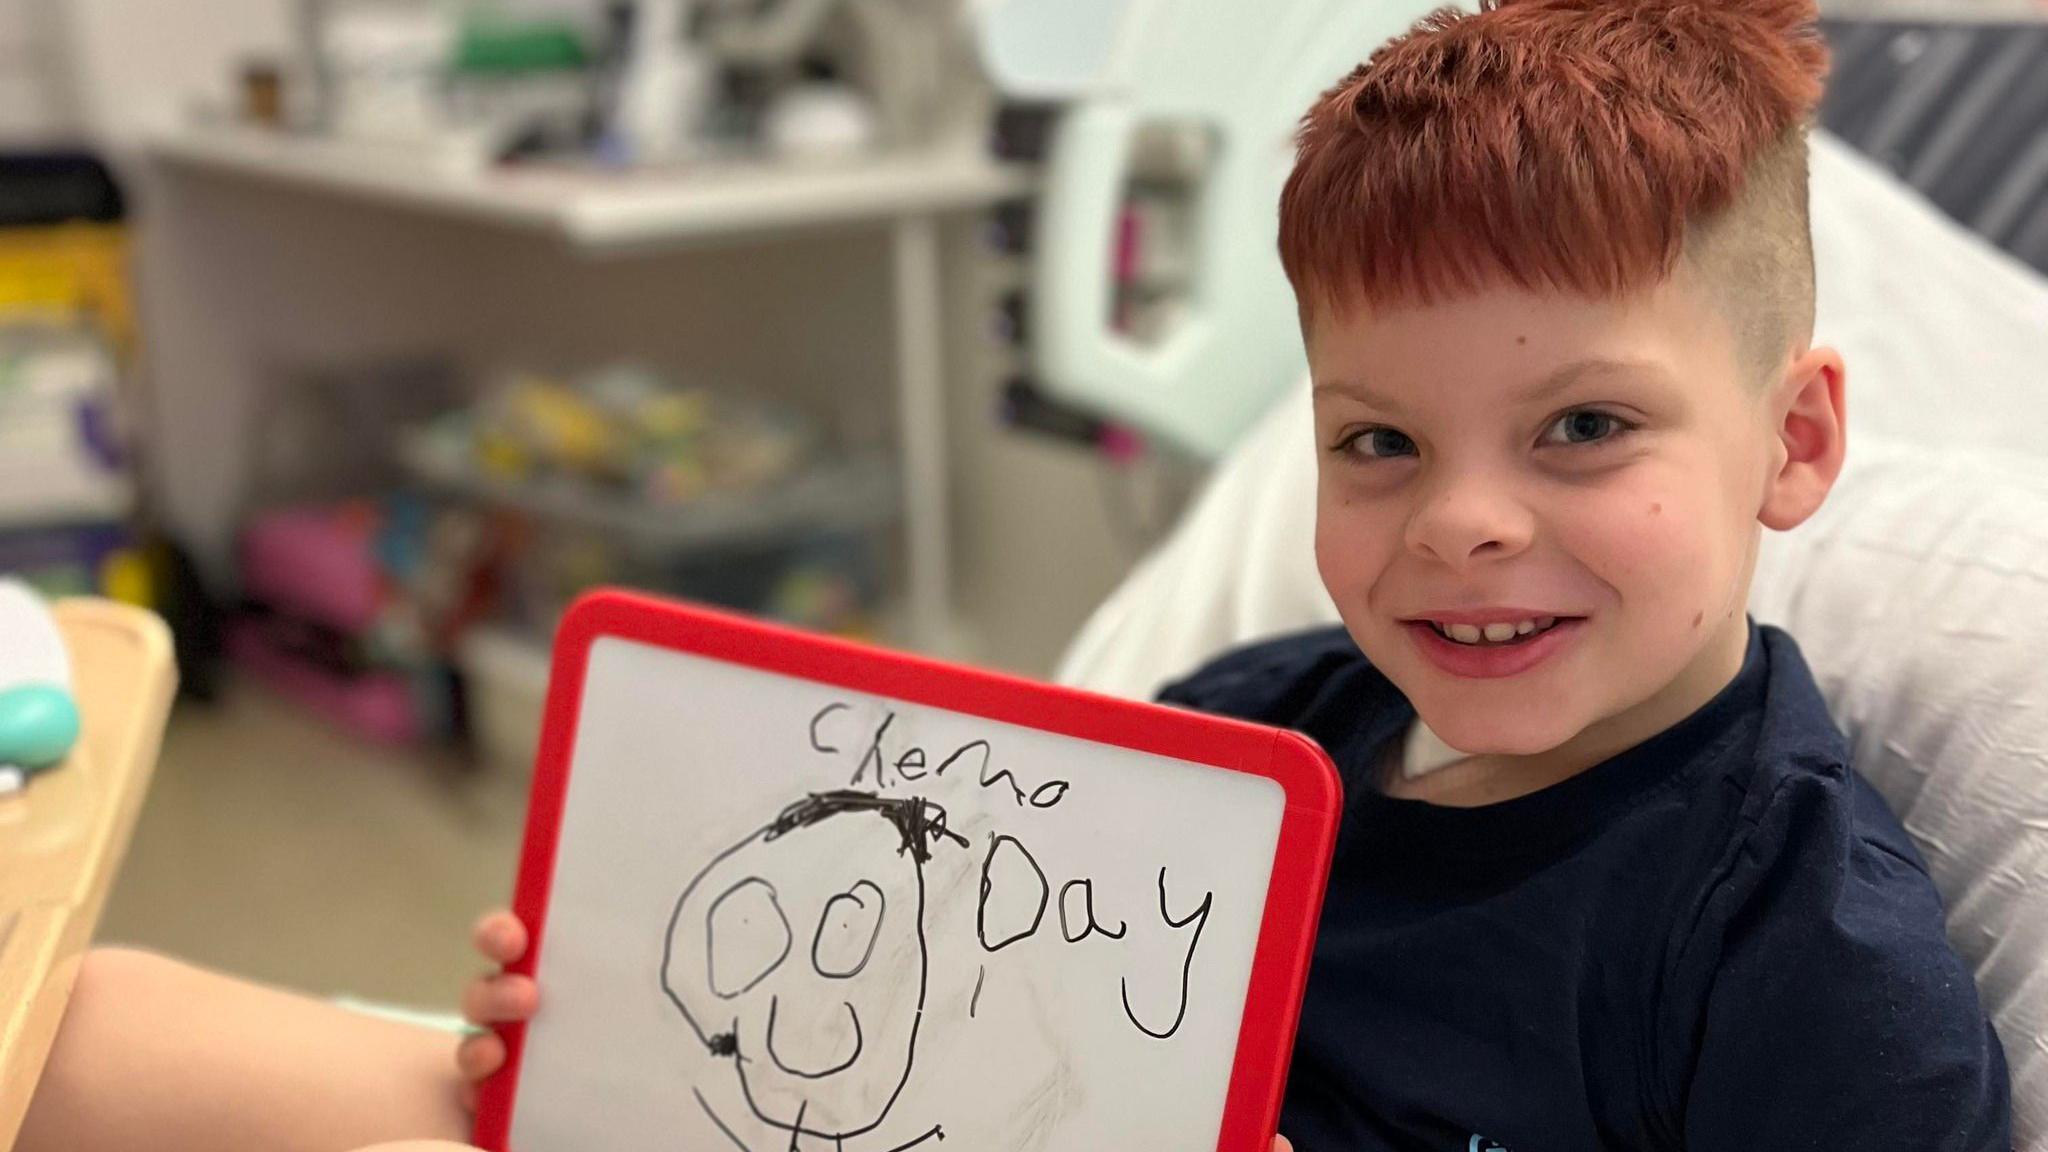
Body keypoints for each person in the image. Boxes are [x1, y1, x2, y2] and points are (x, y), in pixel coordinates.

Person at [21, 1, 2011, 1149]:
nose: (1459, 523)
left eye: (1582, 429)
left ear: (1796, 442)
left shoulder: (1797, 966)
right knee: (101, 1025)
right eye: (1375, 443)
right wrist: (620, 1019)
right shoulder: (1241, 732)